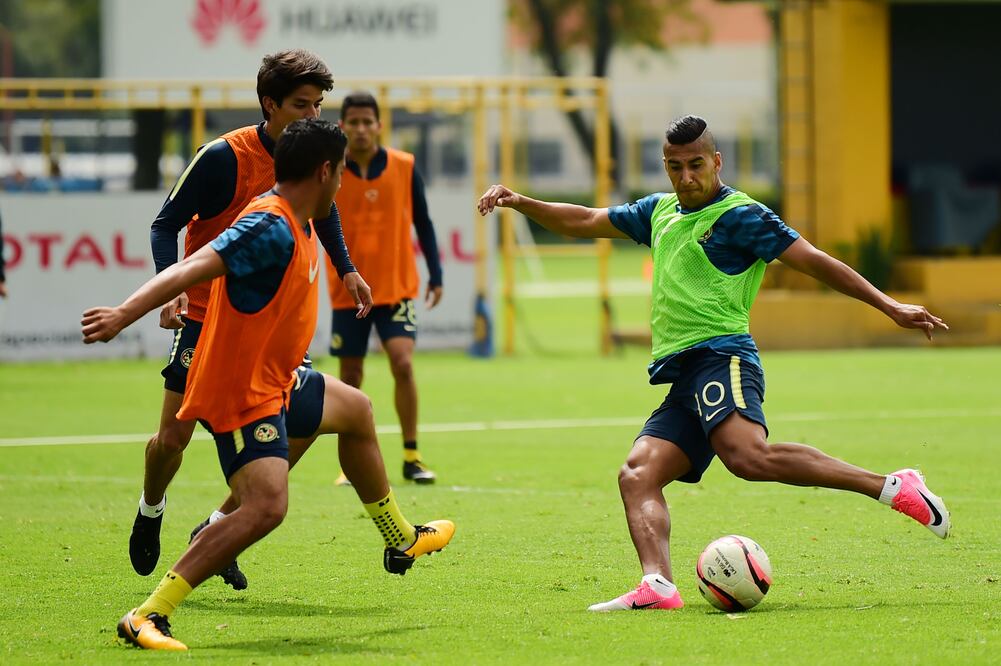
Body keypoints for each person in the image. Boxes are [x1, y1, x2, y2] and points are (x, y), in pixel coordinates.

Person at [477, 115, 951, 612]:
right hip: (684, 374)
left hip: (722, 355)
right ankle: (658, 585)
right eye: (674, 166)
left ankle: (894, 487)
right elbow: (583, 220)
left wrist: (890, 305)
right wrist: (520, 201)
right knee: (637, 475)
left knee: (747, 458)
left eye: (696, 165)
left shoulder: (742, 216)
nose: (685, 177)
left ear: (716, 162)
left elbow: (813, 260)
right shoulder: (658, 212)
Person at [83, 118, 455, 651]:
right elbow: (190, 268)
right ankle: (147, 614)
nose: (344, 185)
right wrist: (124, 313)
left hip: (281, 379)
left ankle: (400, 541)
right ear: (325, 172)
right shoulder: (269, 224)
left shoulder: (302, 219)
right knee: (266, 506)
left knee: (356, 411)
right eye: (341, 175)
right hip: (243, 391)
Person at [129, 50, 374, 587]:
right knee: (172, 438)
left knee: (301, 424)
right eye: (300, 105)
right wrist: (169, 291)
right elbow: (164, 223)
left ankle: (221, 526)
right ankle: (150, 509)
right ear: (269, 103)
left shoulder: (310, 157)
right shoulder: (222, 155)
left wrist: (347, 270)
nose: (312, 115)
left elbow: (324, 211)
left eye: (317, 105)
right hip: (205, 317)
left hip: (268, 322)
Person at [327, 91, 444, 485]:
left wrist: (436, 273)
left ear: (379, 125)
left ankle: (412, 455)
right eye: (353, 122)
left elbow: (424, 223)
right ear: (342, 126)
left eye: (367, 122)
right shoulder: (330, 168)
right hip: (348, 289)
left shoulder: (404, 166)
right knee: (351, 375)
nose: (361, 129)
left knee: (404, 363)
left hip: (395, 288)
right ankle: (349, 463)